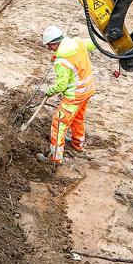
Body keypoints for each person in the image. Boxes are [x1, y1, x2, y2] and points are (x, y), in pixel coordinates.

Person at [37, 25, 97, 164]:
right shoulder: (78, 42)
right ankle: (78, 144)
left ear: (54, 43)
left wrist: (49, 91)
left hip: (75, 96)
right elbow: (93, 44)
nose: (49, 49)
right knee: (77, 117)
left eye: (49, 46)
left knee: (59, 123)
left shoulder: (62, 61)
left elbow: (61, 86)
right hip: (88, 89)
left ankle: (55, 158)